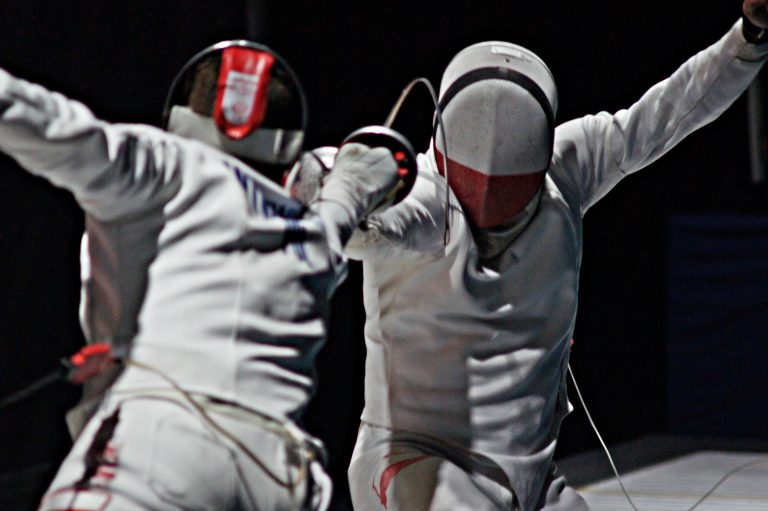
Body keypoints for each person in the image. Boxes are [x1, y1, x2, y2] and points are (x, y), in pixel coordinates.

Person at [344, 2, 768, 510]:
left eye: (509, 195)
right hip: (415, 461)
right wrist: (336, 199)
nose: (489, 212)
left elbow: (668, 114)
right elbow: (362, 231)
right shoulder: (417, 197)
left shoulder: (566, 169)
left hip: (532, 473)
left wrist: (748, 37)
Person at [0, 40, 399, 510]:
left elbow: (40, 120)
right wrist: (356, 178)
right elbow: (343, 204)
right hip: (278, 476)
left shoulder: (164, 164)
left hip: (162, 447)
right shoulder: (310, 232)